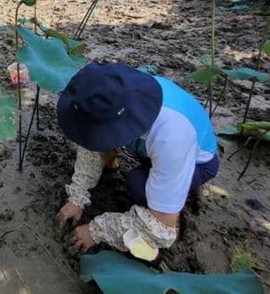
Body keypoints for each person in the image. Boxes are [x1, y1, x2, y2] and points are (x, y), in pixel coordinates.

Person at [56, 62, 219, 256]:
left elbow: (161, 227)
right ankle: (117, 165)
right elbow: (89, 137)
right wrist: (77, 197)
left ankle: (175, 210)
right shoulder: (115, 94)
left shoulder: (172, 137)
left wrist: (96, 230)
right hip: (149, 148)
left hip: (197, 163)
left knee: (139, 187)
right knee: (117, 157)